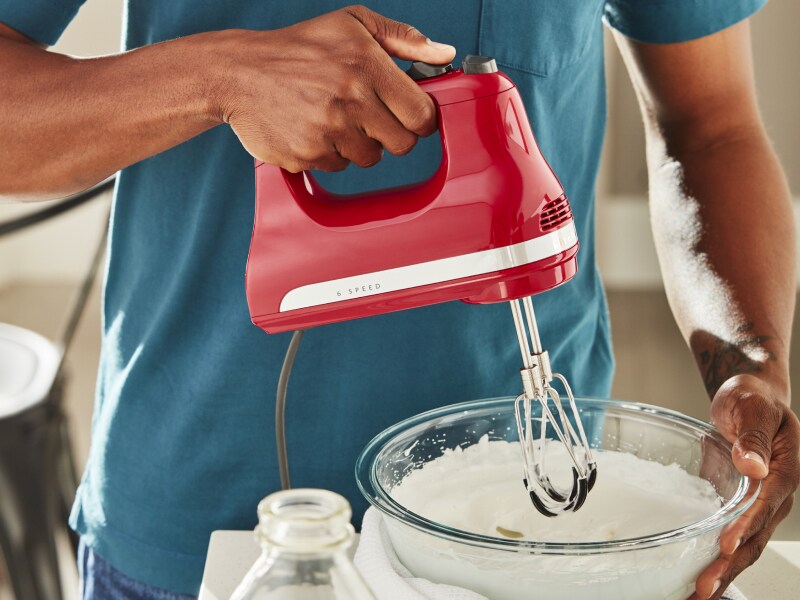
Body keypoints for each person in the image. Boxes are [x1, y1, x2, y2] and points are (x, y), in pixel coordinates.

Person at [0, 1, 797, 599]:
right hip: (201, 524)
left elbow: (711, 125)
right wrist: (220, 76)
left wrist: (750, 365)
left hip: (547, 538)